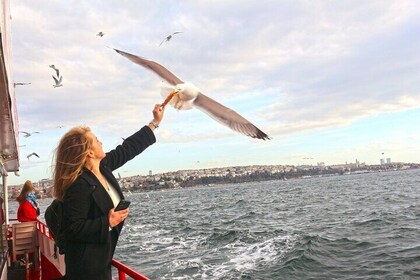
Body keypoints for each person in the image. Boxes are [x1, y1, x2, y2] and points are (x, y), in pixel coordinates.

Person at [53, 104, 164, 280]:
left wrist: (154, 122)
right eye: (96, 140)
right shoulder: (79, 185)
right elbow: (72, 228)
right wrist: (107, 222)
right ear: (89, 152)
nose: (101, 142)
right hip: (86, 268)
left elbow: (128, 148)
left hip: (102, 260)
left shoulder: (103, 167)